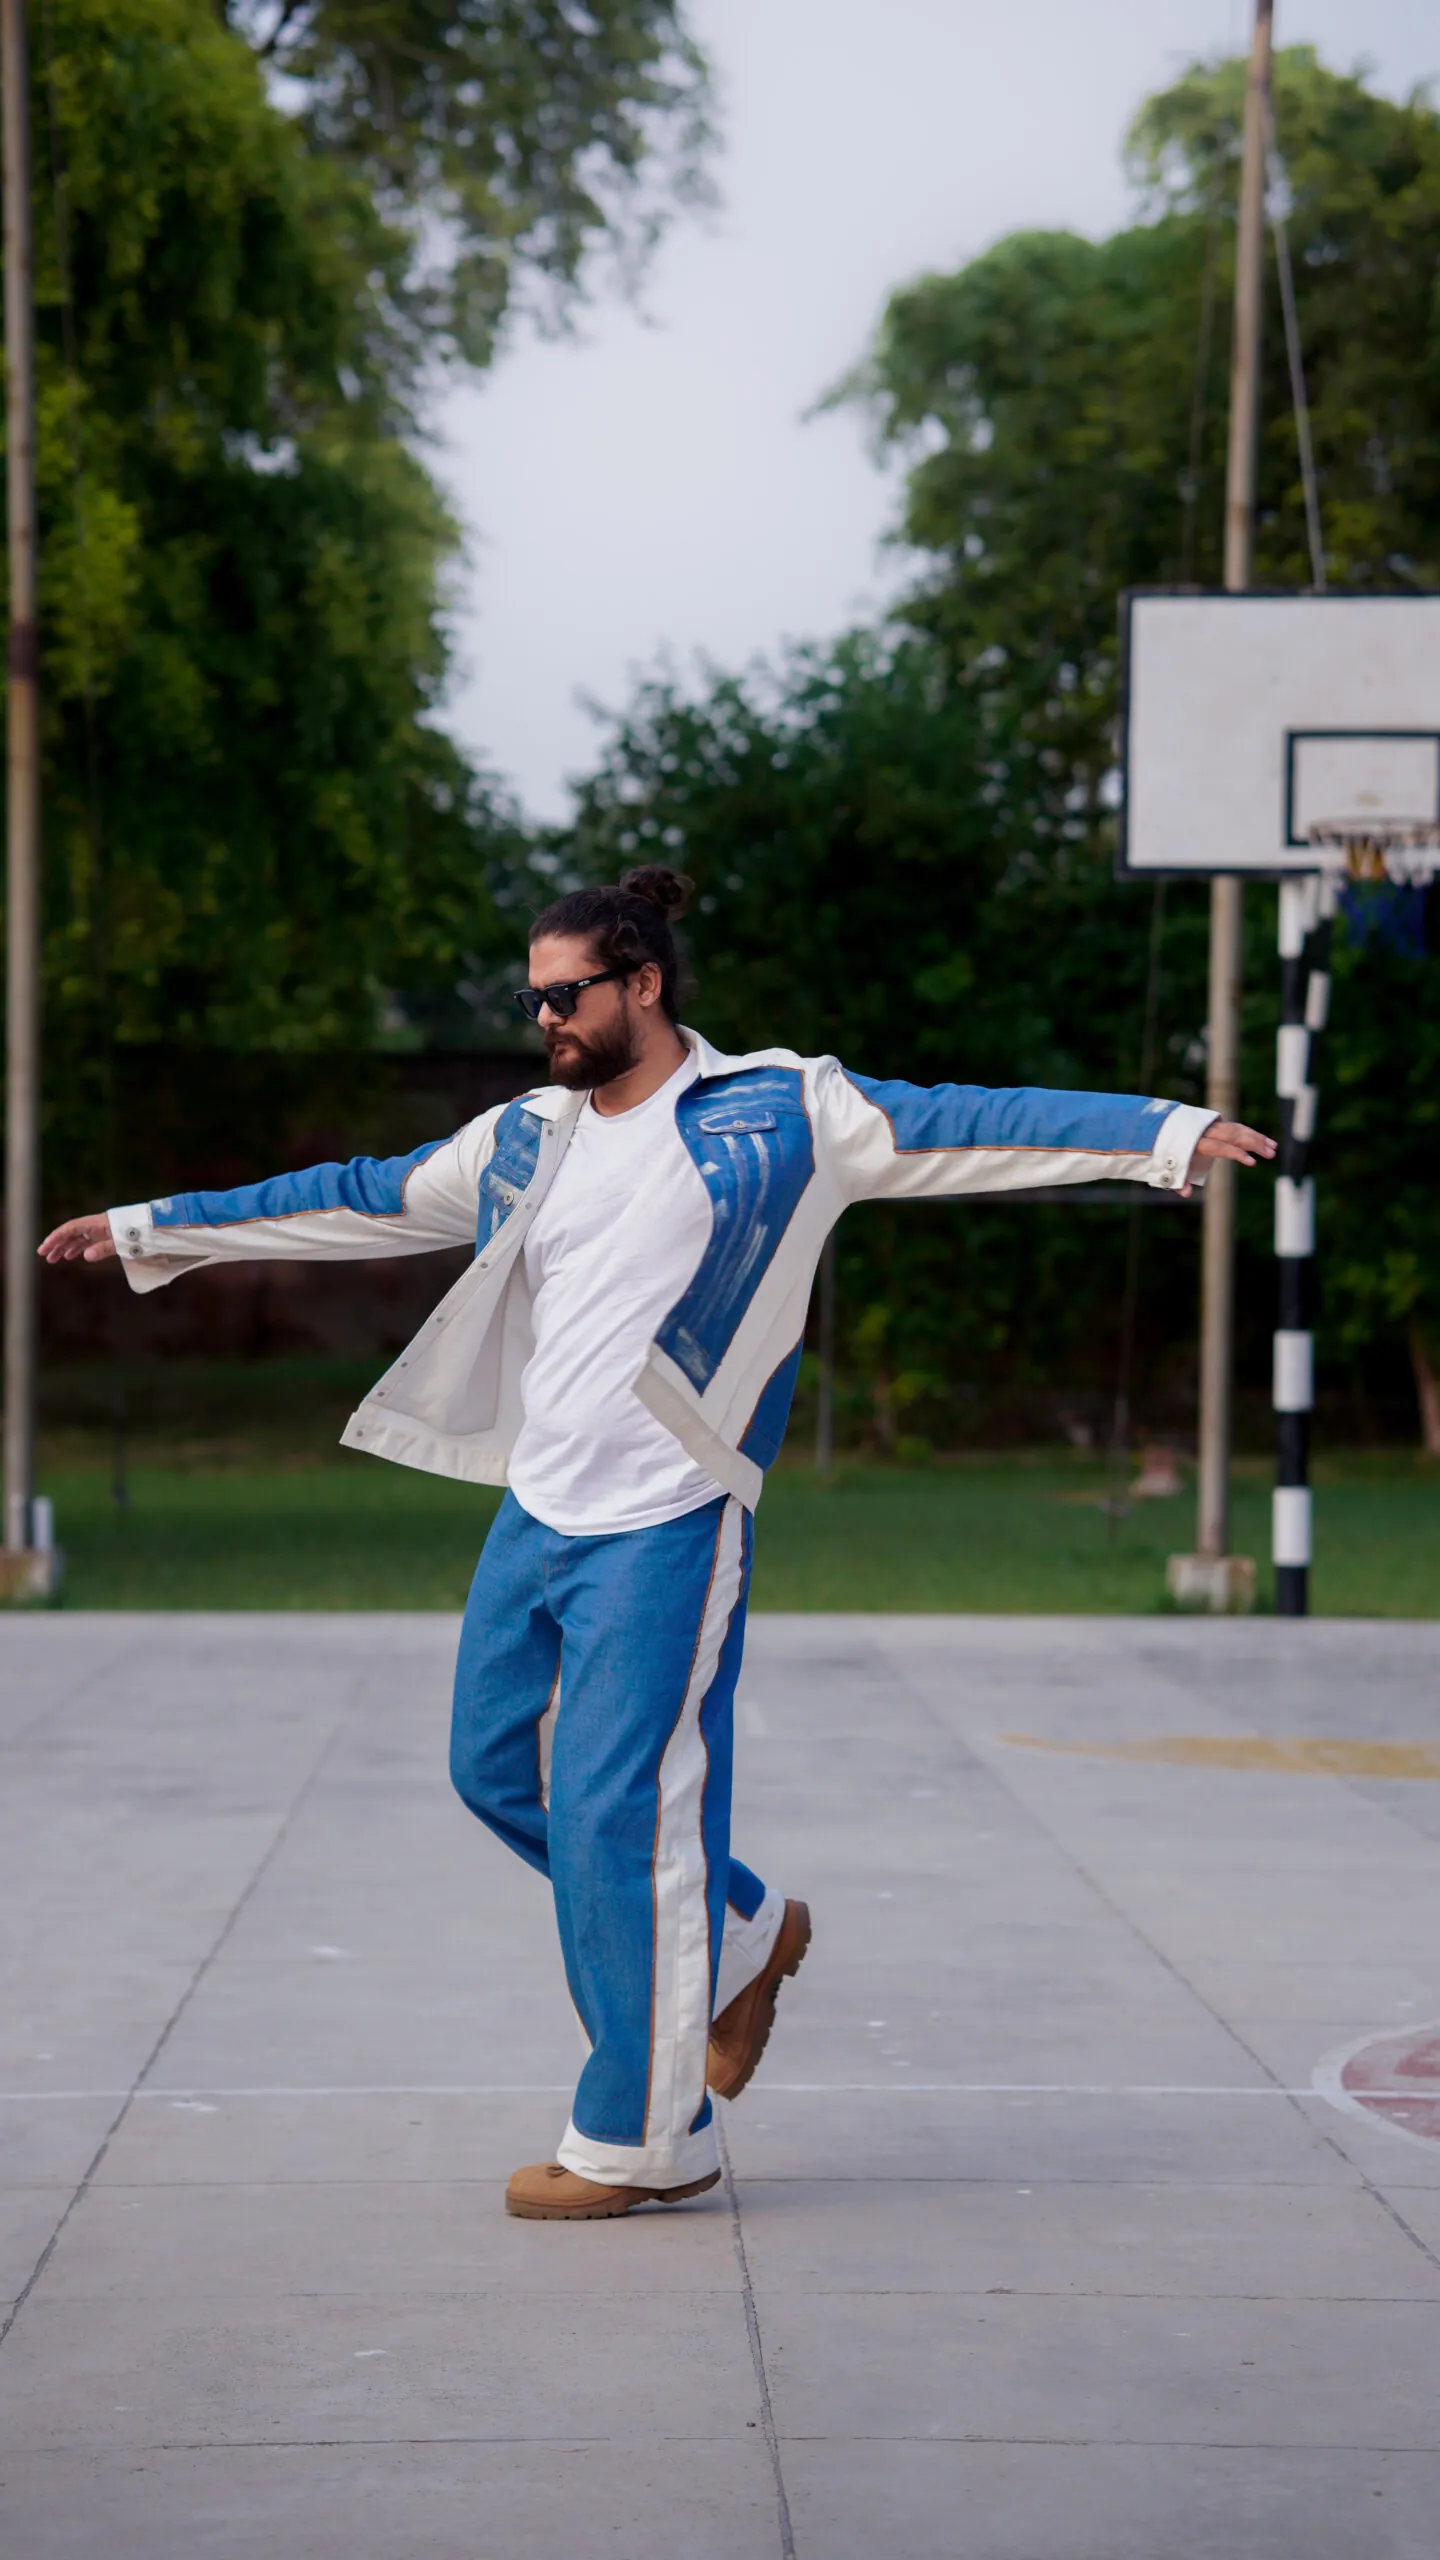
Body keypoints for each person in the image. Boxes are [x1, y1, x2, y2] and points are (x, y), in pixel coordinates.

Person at [41, 865, 1275, 2220]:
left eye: (563, 995)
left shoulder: (784, 1111)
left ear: (643, 984)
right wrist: (154, 1228)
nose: (544, 1019)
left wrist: (1165, 1133)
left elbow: (963, 1121)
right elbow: (365, 1196)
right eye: (531, 999)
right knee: (490, 1767)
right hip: (540, 1508)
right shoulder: (527, 1135)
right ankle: (746, 1928)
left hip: (668, 1519)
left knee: (626, 1811)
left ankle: (645, 2135)